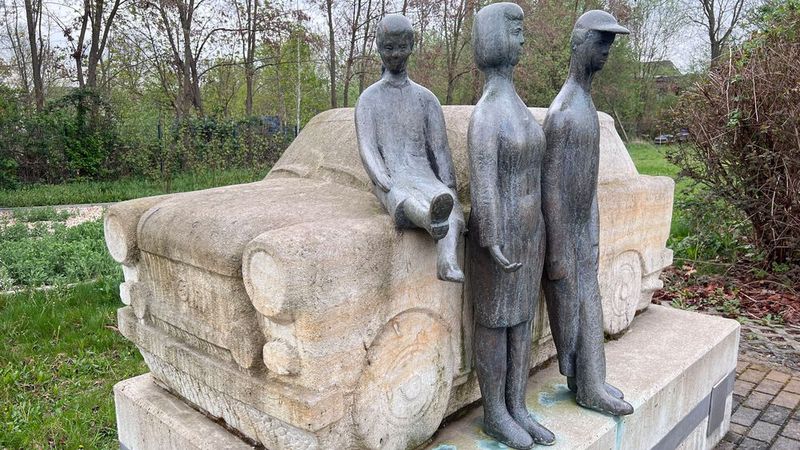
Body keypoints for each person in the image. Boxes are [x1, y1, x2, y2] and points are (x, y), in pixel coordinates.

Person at [468, 3, 555, 448]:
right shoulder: (486, 113)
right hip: (499, 239)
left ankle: (517, 405)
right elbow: (483, 182)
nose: (523, 39)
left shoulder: (517, 106)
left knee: (522, 321)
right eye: (515, 31)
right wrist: (491, 236)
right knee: (497, 321)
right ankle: (495, 412)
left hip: (531, 233)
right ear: (494, 38)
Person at [541, 9, 634, 417]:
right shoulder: (563, 114)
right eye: (601, 43)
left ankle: (590, 379)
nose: (606, 52)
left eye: (610, 44)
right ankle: (588, 383)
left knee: (589, 303)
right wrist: (560, 249)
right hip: (566, 237)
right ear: (579, 44)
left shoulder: (585, 107)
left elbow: (588, 183)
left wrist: (592, 231)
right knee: (578, 307)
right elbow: (553, 190)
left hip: (582, 233)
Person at [355, 14, 464, 283]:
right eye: (388, 48)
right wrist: (381, 176)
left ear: (412, 46)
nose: (395, 55)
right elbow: (367, 146)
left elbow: (439, 148)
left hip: (423, 173)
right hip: (392, 175)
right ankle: (429, 219)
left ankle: (447, 261)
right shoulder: (369, 99)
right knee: (402, 197)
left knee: (451, 205)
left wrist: (449, 184)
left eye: (401, 47)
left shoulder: (427, 99)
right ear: (379, 48)